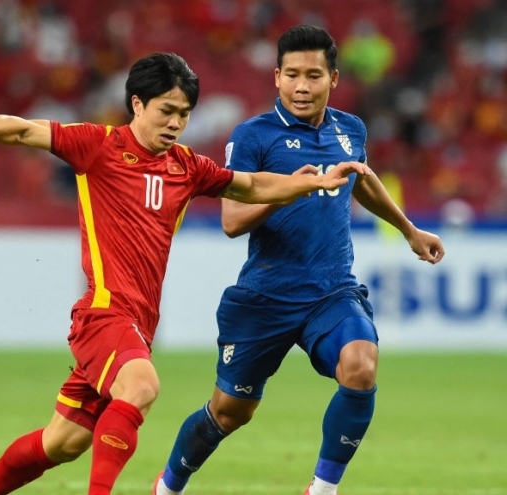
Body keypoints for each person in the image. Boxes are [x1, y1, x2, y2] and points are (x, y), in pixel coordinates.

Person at [0, 52, 369, 495]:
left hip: (139, 322)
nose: (175, 123)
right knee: (142, 386)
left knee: (63, 442)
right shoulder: (98, 146)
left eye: (184, 114)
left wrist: (307, 183)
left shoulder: (186, 166)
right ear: (137, 104)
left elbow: (248, 185)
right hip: (104, 313)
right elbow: (22, 130)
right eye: (166, 111)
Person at [151, 25, 445, 495]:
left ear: (333, 78)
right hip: (265, 296)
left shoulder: (351, 129)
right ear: (276, 77)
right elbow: (232, 220)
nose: (301, 86)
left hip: (331, 291)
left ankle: (322, 489)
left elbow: (361, 178)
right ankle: (168, 486)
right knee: (229, 413)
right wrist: (290, 190)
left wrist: (409, 229)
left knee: (361, 364)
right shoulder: (253, 136)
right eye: (291, 75)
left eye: (313, 75)